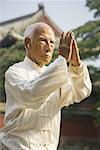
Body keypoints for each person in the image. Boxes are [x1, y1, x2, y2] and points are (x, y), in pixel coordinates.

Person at [0, 22, 92, 150]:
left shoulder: (57, 73)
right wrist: (61, 59)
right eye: (43, 41)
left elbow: (80, 92)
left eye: (52, 43)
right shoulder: (15, 73)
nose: (49, 48)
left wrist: (76, 65)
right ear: (28, 43)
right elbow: (31, 95)